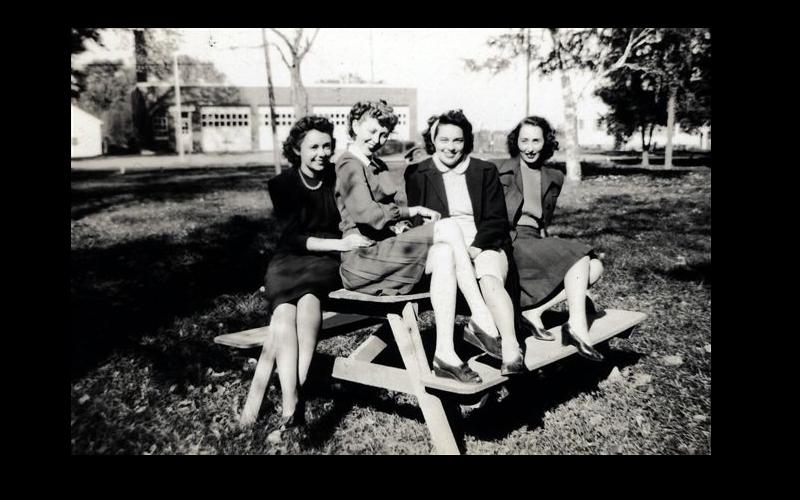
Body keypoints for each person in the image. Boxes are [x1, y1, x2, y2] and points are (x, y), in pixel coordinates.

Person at [335, 100, 502, 383]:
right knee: (447, 227)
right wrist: (411, 212)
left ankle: (445, 354)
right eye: (372, 131)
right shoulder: (349, 164)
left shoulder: (376, 164)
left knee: (446, 253)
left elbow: (388, 217)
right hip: (361, 261)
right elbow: (368, 215)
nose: (377, 140)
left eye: (384, 134)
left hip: (386, 255)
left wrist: (402, 226)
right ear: (354, 126)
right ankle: (481, 318)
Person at [261, 116, 374, 431]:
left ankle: (295, 393)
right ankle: (291, 401)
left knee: (309, 300)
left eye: (327, 145)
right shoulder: (281, 184)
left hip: (323, 262)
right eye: (313, 147)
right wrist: (341, 243)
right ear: (297, 149)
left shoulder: (337, 179)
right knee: (283, 312)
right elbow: (291, 237)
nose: (321, 153)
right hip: (287, 260)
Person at [405, 110, 525, 375]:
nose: (451, 147)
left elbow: (496, 220)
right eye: (444, 140)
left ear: (466, 141)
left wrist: (475, 248)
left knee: (490, 277)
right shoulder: (417, 173)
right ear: (433, 140)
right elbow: (417, 224)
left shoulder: (484, 170)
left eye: (457, 140)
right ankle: (483, 328)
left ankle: (511, 349)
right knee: (448, 252)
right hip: (442, 249)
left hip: (483, 242)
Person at [496, 116, 605, 361]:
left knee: (595, 267)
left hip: (534, 241)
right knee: (580, 254)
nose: (529, 147)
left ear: (546, 143)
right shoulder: (500, 170)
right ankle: (577, 327)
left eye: (536, 140)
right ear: (516, 142)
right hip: (510, 241)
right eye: (524, 140)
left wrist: (547, 242)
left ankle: (535, 311)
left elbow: (543, 220)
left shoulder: (554, 177)